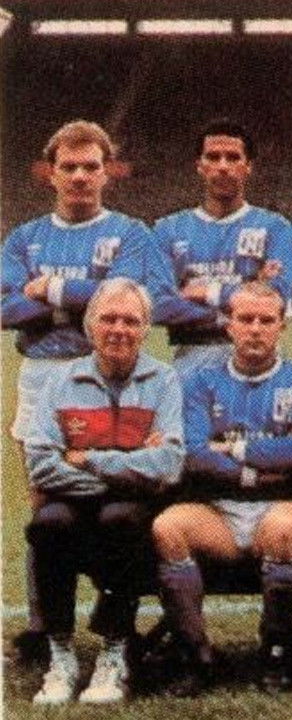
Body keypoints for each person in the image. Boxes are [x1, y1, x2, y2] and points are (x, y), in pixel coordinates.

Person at [1, 120, 150, 661]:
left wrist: (51, 291)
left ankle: (118, 619)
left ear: (107, 172)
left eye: (91, 166)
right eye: (70, 167)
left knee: (117, 495)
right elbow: (5, 307)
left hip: (111, 376)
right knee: (46, 498)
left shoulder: (130, 233)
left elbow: (128, 297)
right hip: (44, 374)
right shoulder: (24, 238)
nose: (81, 176)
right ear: (51, 173)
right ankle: (42, 625)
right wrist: (85, 300)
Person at [151, 282, 292, 696]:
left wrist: (231, 448)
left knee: (283, 528)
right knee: (168, 527)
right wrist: (255, 472)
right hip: (217, 510)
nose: (255, 328)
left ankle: (277, 648)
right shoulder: (198, 382)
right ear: (228, 324)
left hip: (281, 504)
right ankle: (197, 654)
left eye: (266, 320)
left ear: (282, 326)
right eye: (245, 319)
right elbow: (194, 453)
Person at [24, 278, 184, 704]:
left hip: (129, 510)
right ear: (90, 324)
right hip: (77, 502)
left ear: (145, 328)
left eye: (130, 321)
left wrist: (89, 459)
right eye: (109, 319)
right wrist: (129, 469)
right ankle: (60, 654)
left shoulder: (164, 380)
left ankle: (115, 650)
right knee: (49, 522)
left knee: (121, 518)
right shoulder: (61, 381)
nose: (119, 329)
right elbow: (41, 463)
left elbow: (168, 464)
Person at [150, 119, 292, 380]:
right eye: (213, 157)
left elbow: (277, 297)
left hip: (258, 365)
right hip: (191, 361)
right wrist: (242, 306)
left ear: (248, 166)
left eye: (233, 157)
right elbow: (159, 305)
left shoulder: (274, 228)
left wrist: (207, 292)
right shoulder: (168, 230)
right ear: (199, 165)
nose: (223, 166)